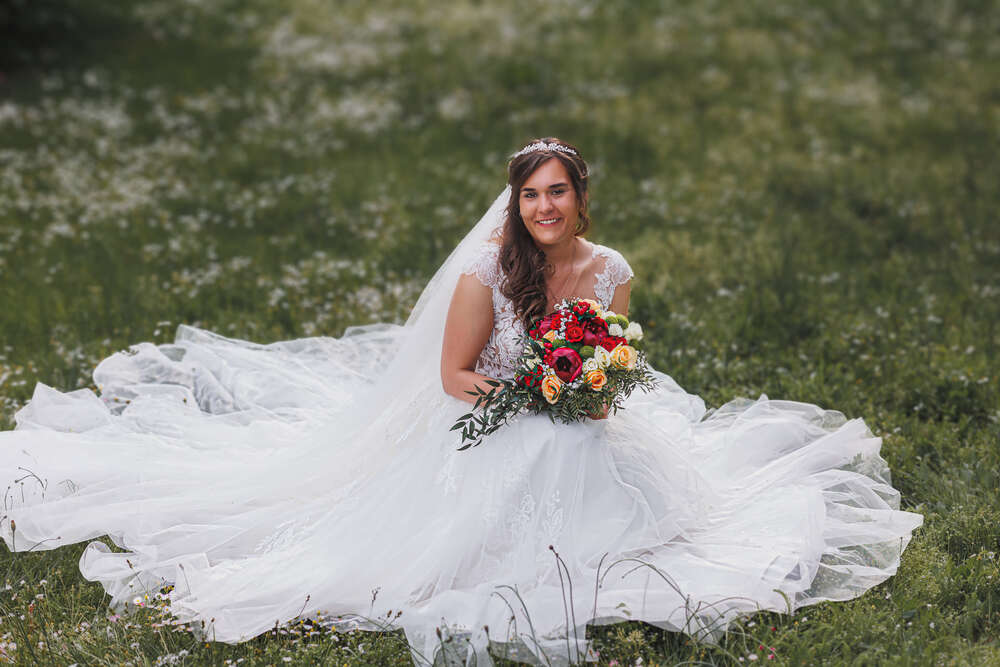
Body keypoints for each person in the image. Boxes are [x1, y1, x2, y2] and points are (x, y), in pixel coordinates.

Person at [1, 138, 922, 666]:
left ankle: (599, 542)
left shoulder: (608, 272)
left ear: (581, 200)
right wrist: (530, 390)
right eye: (531, 196)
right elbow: (452, 374)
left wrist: (588, 384)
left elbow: (615, 362)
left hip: (579, 412)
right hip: (491, 409)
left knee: (585, 447)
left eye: (559, 193)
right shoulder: (489, 270)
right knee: (540, 450)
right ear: (515, 205)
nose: (545, 208)